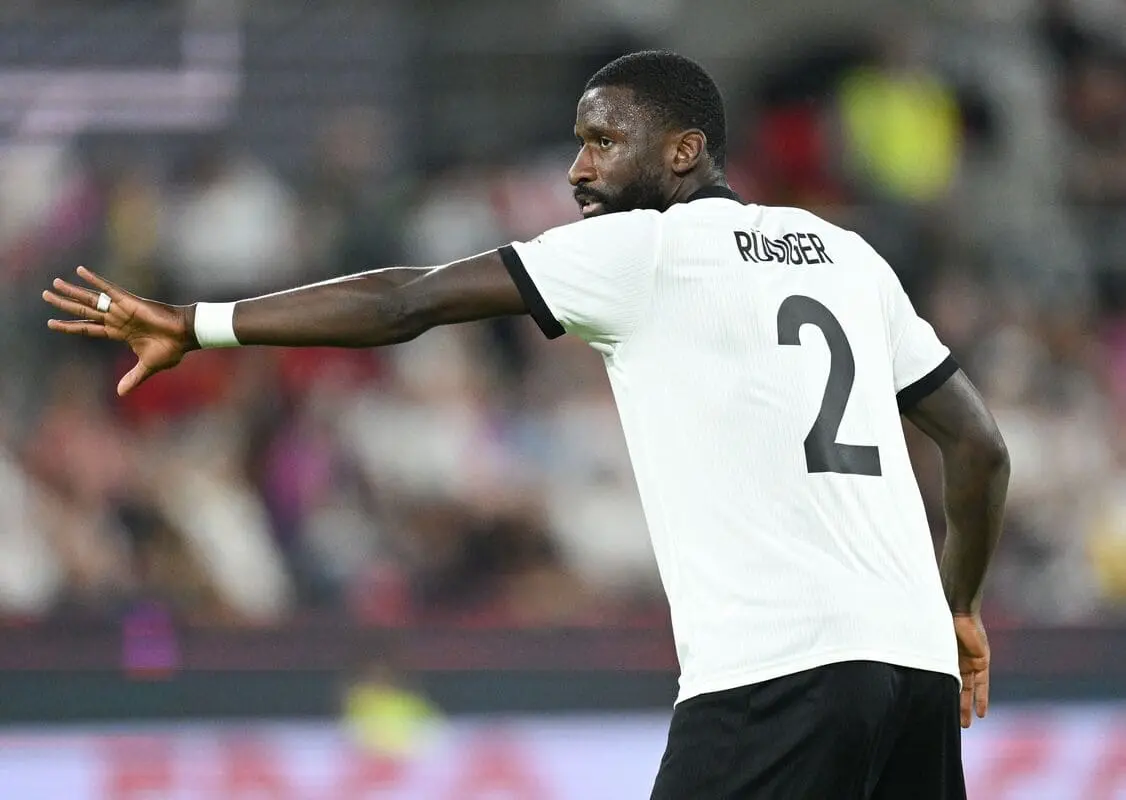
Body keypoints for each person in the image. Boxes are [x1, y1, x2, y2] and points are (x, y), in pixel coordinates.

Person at [43, 50, 1009, 799]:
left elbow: (407, 301)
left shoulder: (647, 248)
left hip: (776, 674)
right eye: (578, 142)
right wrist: (957, 605)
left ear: (684, 152)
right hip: (912, 670)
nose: (579, 169)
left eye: (602, 141)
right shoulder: (846, 255)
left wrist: (202, 323)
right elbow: (979, 447)